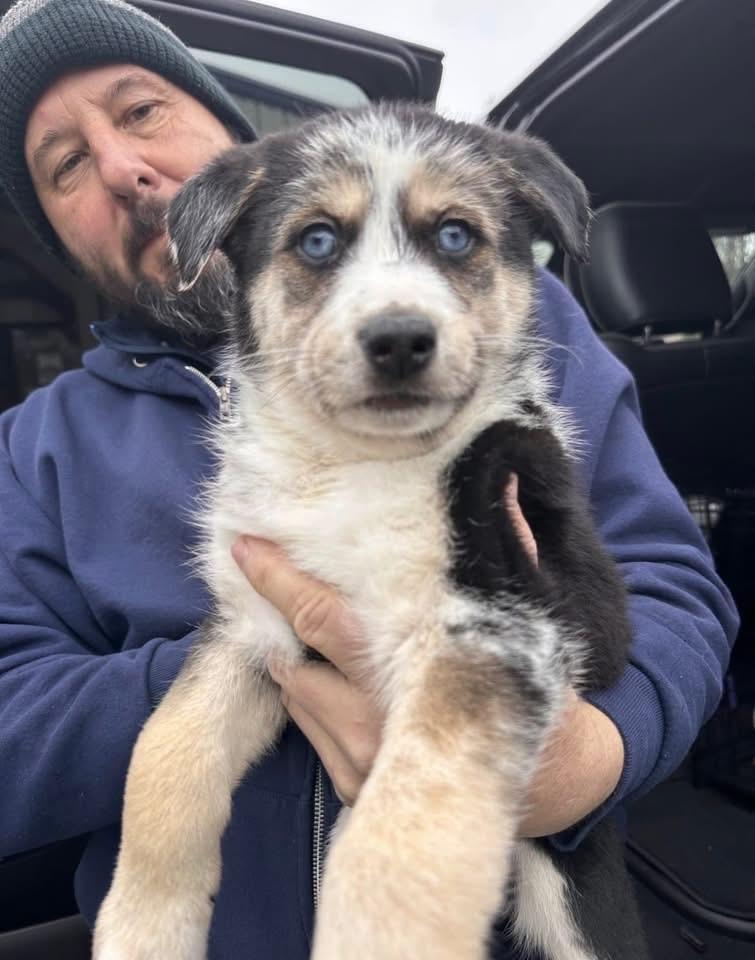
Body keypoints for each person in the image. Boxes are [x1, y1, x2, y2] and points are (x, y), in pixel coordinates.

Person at [0, 1, 739, 957]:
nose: (121, 167)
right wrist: (271, 659)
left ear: (224, 129)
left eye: (140, 111)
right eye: (64, 163)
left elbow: (673, 590)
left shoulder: (528, 339)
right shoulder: (36, 444)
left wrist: (595, 753)